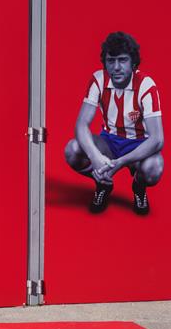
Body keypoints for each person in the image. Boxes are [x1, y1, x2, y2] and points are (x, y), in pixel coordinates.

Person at [64, 31, 164, 215]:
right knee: (73, 150)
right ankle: (102, 183)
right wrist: (95, 157)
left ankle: (139, 187)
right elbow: (81, 125)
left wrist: (120, 163)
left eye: (122, 60)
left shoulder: (146, 85)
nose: (116, 67)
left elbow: (157, 139)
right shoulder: (98, 80)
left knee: (154, 167)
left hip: (138, 144)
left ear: (133, 63)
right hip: (109, 142)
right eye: (111, 61)